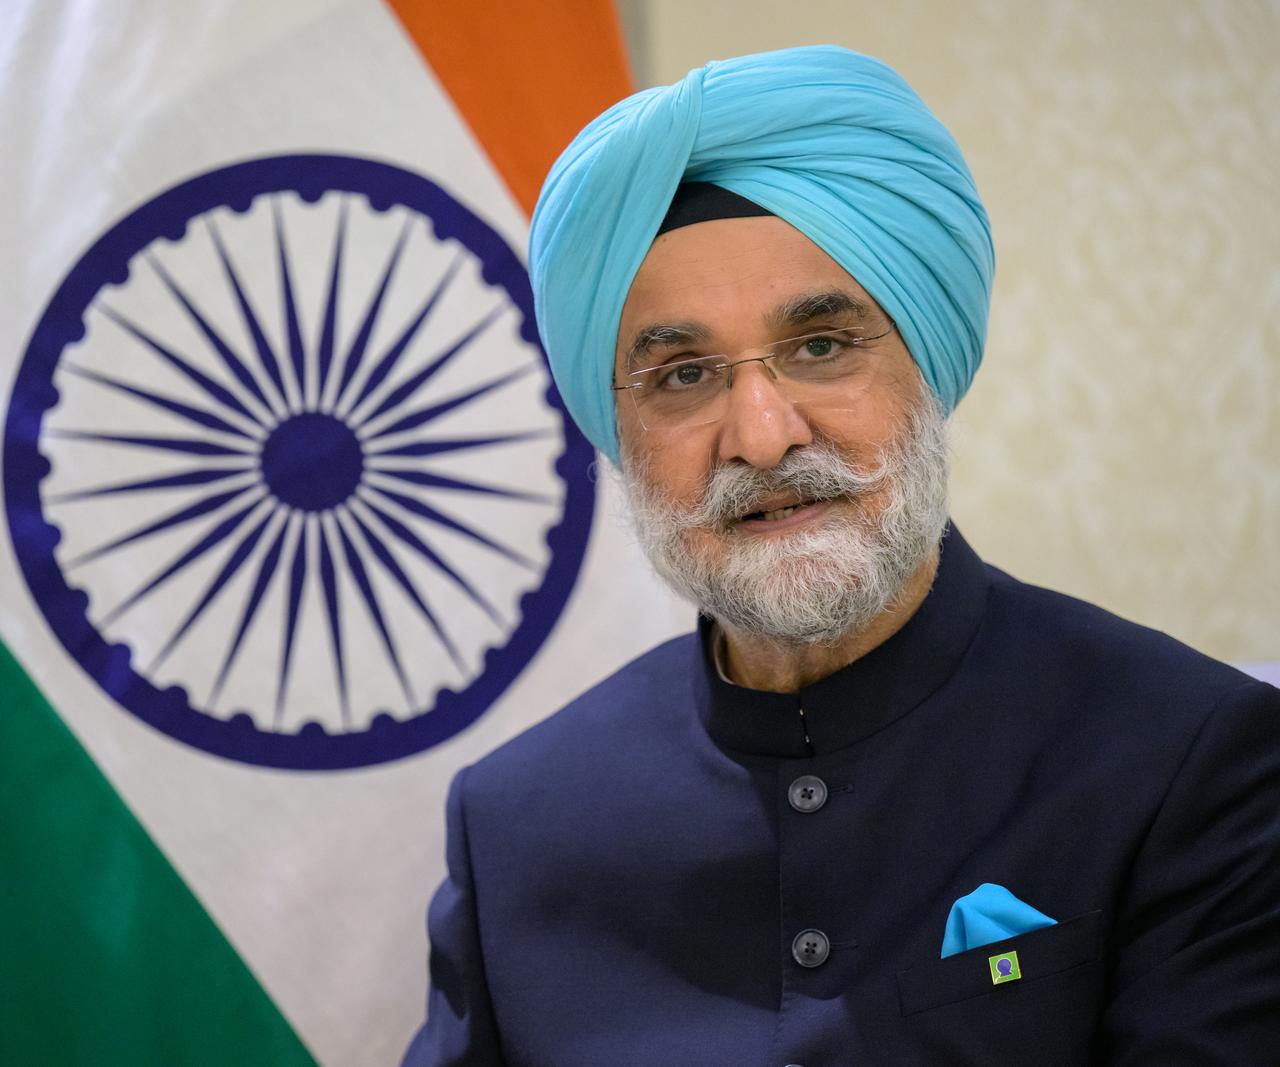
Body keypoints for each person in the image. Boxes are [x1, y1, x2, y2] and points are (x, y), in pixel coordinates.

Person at [403, 46, 1280, 1066]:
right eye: (683, 373)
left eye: (820, 346)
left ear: (926, 365)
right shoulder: (516, 825)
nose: (762, 435)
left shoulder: (1187, 759)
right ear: (619, 433)